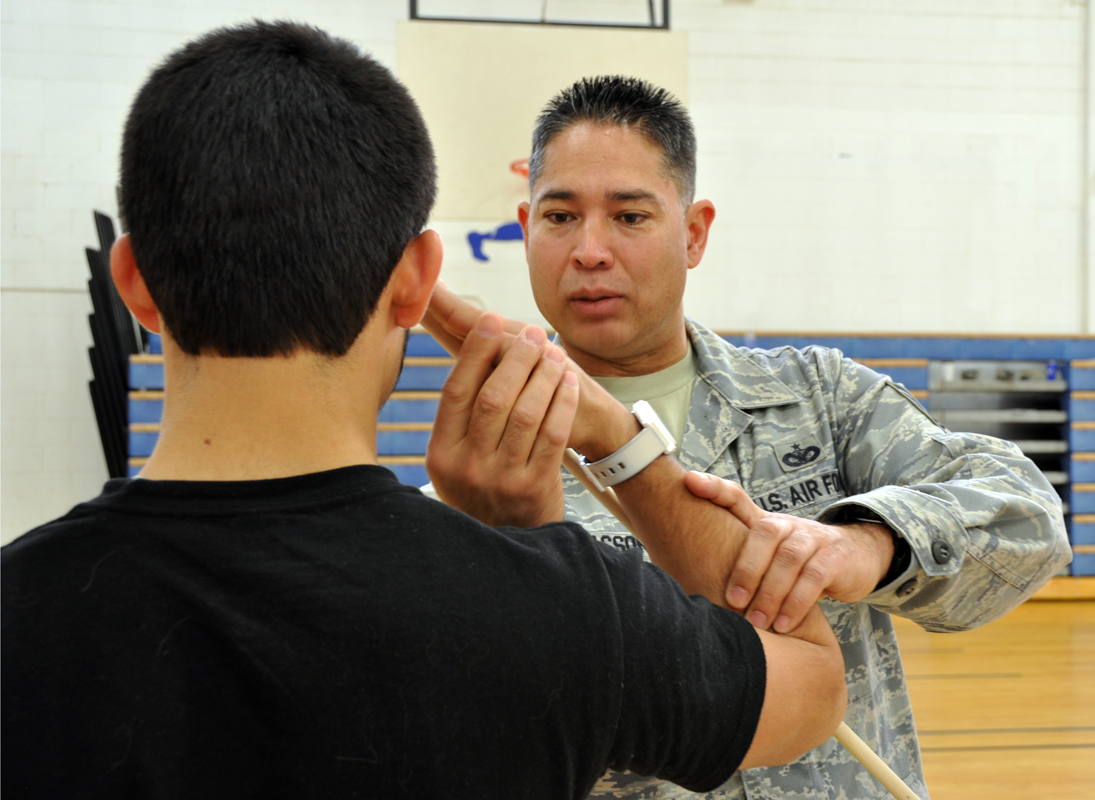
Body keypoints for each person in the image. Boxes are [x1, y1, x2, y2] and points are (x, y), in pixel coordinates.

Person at [0, 24, 850, 799]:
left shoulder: (20, 617)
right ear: (414, 281)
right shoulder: (571, 612)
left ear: (135, 283)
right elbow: (812, 682)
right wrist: (617, 439)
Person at [422, 76, 1072, 799]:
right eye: (560, 217)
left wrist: (864, 545)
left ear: (693, 232)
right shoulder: (491, 467)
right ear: (525, 227)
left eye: (630, 216)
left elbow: (1028, 520)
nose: (590, 250)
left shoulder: (820, 398)